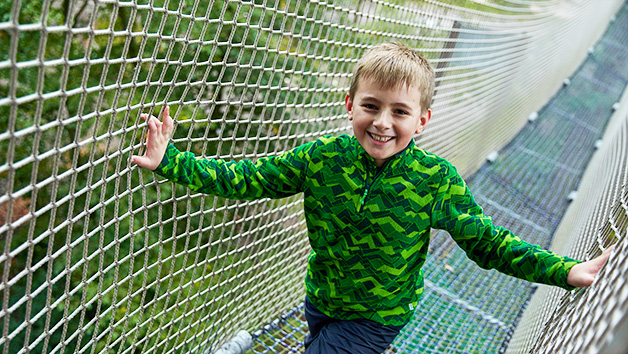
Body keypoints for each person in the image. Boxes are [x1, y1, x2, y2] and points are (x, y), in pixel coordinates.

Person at [131, 42, 613, 354]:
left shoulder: (434, 179)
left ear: (422, 120)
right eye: (371, 106)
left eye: (400, 111)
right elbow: (247, 178)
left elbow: (488, 243)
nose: (383, 122)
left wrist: (563, 270)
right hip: (320, 301)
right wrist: (170, 160)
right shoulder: (322, 158)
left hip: (377, 318)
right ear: (350, 105)